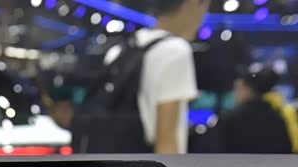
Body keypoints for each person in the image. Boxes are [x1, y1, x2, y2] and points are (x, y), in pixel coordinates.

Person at [73, 0, 209, 153]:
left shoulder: (120, 50)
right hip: (148, 164)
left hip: (111, 161)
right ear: (193, 3)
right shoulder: (175, 50)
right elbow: (166, 140)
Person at [213, 67, 297, 154]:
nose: (234, 94)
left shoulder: (231, 118)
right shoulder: (277, 116)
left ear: (248, 89)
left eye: (237, 88)